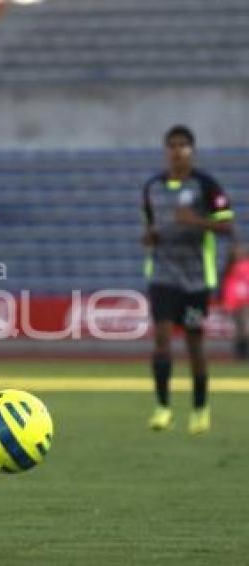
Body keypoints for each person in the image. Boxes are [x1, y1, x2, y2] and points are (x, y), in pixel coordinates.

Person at [142, 125, 234, 434]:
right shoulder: (152, 187)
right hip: (163, 276)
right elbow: (149, 228)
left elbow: (227, 226)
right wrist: (150, 237)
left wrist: (194, 220)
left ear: (192, 151)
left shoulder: (206, 185)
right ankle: (163, 407)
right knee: (162, 338)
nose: (177, 151)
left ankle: (200, 408)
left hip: (195, 280)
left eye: (183, 145)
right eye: (172, 145)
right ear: (166, 150)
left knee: (195, 345)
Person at [221, 243, 249, 360]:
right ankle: (241, 353)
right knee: (240, 329)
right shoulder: (230, 268)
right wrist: (228, 302)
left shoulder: (245, 266)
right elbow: (229, 287)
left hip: (245, 301)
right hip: (237, 302)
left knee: (245, 327)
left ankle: (244, 352)